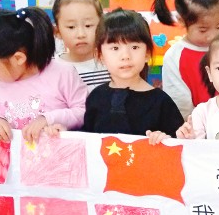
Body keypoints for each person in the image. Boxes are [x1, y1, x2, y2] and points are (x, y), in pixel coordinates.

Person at [0, 7, 86, 143]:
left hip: (57, 153)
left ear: (18, 58)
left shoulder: (63, 74)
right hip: (16, 155)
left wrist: (48, 119)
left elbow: (84, 112)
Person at [78, 9, 184, 141]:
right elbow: (86, 141)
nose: (125, 56)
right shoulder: (96, 97)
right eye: (115, 48)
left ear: (147, 53)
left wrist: (165, 139)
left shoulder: (161, 102)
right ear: (100, 56)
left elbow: (179, 144)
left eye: (134, 47)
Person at [153, 0, 219, 120]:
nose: (212, 36)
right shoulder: (174, 57)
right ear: (182, 21)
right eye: (203, 30)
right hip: (196, 127)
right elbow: (180, 105)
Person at [53, 0, 109, 91]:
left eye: (88, 25)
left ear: (102, 26)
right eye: (71, 27)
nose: (81, 34)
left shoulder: (112, 62)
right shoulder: (53, 68)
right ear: (58, 32)